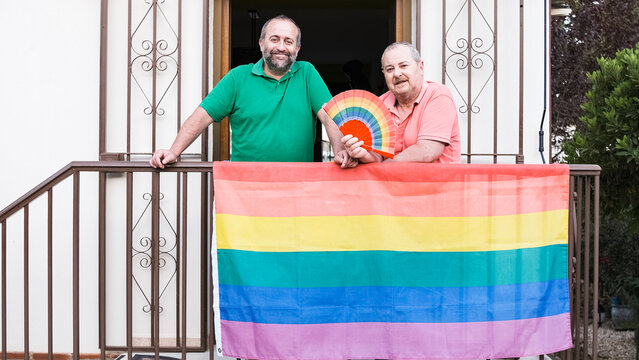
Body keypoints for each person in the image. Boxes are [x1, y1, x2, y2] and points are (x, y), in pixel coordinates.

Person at [150, 15, 355, 168]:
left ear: (297, 48)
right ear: (261, 43)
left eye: (288, 41)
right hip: (245, 187)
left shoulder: (307, 73)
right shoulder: (238, 77)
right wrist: (174, 151)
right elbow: (202, 116)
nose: (281, 46)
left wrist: (339, 151)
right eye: (274, 39)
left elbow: (329, 115)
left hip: (296, 184)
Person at [341, 42, 461, 164]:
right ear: (384, 74)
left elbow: (427, 151)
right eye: (390, 69)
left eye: (403, 66)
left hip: (438, 182)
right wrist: (362, 154)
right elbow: (377, 156)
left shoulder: (438, 95)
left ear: (420, 67)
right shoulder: (379, 105)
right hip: (394, 182)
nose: (397, 74)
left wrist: (384, 167)